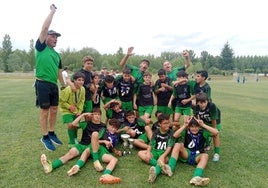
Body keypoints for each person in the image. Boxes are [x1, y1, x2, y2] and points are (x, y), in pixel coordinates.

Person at [40, 109, 105, 176]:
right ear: (92, 116)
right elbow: (73, 124)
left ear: (101, 116)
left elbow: (99, 138)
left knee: (84, 156)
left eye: (99, 114)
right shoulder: (86, 124)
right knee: (69, 154)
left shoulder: (103, 126)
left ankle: (77, 167)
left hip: (91, 146)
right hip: (81, 144)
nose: (97, 116)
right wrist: (83, 114)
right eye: (95, 114)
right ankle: (50, 167)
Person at [35, 4, 63, 151]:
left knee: (54, 110)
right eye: (53, 36)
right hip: (42, 83)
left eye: (56, 37)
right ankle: (45, 136)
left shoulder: (57, 55)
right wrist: (52, 12)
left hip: (53, 85)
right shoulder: (41, 47)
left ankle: (51, 133)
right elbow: (44, 29)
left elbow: (59, 72)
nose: (55, 39)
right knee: (45, 111)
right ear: (46, 37)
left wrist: (64, 84)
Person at [163, 116, 219, 186]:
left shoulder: (203, 132)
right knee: (178, 144)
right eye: (192, 126)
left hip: (197, 156)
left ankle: (196, 177)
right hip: (187, 153)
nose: (194, 129)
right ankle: (169, 168)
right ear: (189, 127)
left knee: (205, 155)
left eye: (196, 127)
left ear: (199, 127)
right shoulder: (186, 131)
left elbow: (216, 132)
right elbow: (175, 135)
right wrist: (184, 126)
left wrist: (203, 125)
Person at [137, 114, 174, 183]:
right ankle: (163, 167)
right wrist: (148, 153)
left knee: (163, 159)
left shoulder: (171, 132)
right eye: (165, 123)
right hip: (155, 151)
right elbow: (151, 144)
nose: (167, 125)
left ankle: (154, 174)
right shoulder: (156, 131)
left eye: (168, 123)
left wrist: (163, 155)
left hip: (164, 153)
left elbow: (169, 147)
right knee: (140, 153)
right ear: (159, 124)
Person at [59, 72, 85, 147]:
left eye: (82, 80)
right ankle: (71, 142)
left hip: (76, 110)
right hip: (66, 111)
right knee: (70, 125)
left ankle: (75, 139)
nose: (81, 82)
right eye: (79, 80)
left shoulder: (83, 89)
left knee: (75, 125)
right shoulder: (68, 89)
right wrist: (69, 106)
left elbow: (82, 100)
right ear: (74, 81)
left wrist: (80, 110)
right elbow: (61, 102)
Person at [195, 93, 221, 161]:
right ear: (197, 102)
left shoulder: (212, 106)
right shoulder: (196, 107)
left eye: (204, 102)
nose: (202, 104)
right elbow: (196, 118)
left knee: (215, 134)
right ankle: (205, 145)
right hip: (205, 121)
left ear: (207, 101)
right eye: (200, 102)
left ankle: (216, 153)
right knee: (201, 132)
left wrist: (213, 129)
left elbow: (213, 119)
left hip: (215, 122)